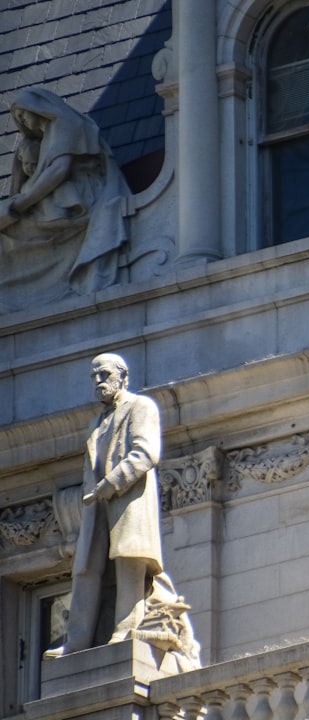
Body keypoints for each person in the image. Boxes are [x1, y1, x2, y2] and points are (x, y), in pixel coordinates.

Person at [46, 353, 163, 657]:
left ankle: (126, 629)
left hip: (125, 499)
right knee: (86, 569)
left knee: (128, 562)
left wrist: (111, 484)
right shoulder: (96, 422)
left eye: (105, 374)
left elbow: (147, 452)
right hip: (96, 506)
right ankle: (76, 643)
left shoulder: (141, 407)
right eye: (94, 376)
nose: (99, 381)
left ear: (123, 376)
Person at [0, 87, 130, 312]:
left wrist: (22, 204)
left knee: (13, 231)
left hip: (82, 197)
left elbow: (59, 171)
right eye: (18, 118)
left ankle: (15, 293)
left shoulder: (65, 124)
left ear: (38, 107)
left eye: (23, 114)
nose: (23, 121)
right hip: (58, 198)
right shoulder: (43, 139)